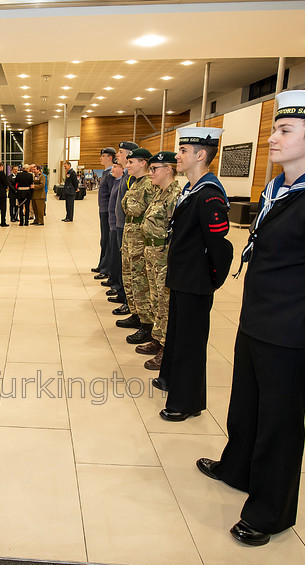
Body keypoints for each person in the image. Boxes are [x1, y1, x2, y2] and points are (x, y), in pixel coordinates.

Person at [197, 91, 305, 547]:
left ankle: (270, 511)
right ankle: (238, 468)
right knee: (246, 408)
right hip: (258, 321)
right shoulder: (281, 192)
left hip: (293, 332)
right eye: (274, 128)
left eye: (284, 131)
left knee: (280, 424)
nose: (271, 138)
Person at [154, 127, 233, 421]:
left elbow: (219, 246)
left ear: (201, 155)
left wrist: (210, 279)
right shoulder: (191, 189)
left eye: (184, 151)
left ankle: (187, 402)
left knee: (190, 342)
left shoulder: (209, 196)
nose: (178, 156)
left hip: (195, 280)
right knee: (177, 334)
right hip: (182, 276)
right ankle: (172, 380)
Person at [134, 151, 182, 370]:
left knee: (164, 302)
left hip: (164, 256)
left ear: (169, 169)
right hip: (152, 254)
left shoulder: (175, 195)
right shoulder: (158, 193)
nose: (151, 172)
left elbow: (176, 231)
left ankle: (166, 347)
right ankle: (157, 337)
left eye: (155, 169)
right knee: (155, 299)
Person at [118, 149, 154, 335]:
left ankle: (147, 323)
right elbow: (126, 207)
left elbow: (136, 209)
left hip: (140, 237)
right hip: (130, 235)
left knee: (140, 279)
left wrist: (129, 207)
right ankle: (136, 313)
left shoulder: (149, 184)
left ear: (143, 163)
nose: (128, 165)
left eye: (131, 162)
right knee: (129, 276)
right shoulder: (136, 183)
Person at [107, 142, 138, 310]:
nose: (117, 155)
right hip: (119, 224)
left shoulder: (132, 178)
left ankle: (127, 299)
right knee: (121, 262)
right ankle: (122, 293)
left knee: (127, 264)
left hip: (126, 226)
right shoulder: (126, 176)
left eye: (120, 152)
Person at [93, 148, 116, 277]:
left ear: (110, 158)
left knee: (107, 240)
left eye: (103, 156)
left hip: (108, 211)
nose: (101, 158)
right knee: (104, 239)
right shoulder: (106, 172)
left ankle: (106, 269)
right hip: (104, 210)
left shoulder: (111, 173)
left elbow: (112, 194)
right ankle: (102, 264)